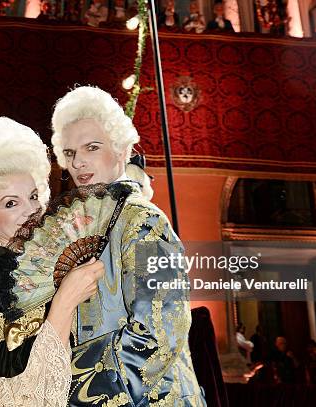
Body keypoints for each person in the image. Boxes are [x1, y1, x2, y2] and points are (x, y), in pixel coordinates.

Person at [0, 117, 105, 406]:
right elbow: (22, 365)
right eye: (11, 203)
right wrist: (68, 296)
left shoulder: (31, 260)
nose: (31, 210)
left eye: (33, 196)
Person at [51, 86, 206, 406]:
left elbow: (159, 333)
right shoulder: (86, 226)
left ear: (122, 150)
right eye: (69, 153)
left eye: (91, 147)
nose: (78, 162)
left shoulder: (143, 220)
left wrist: (68, 385)